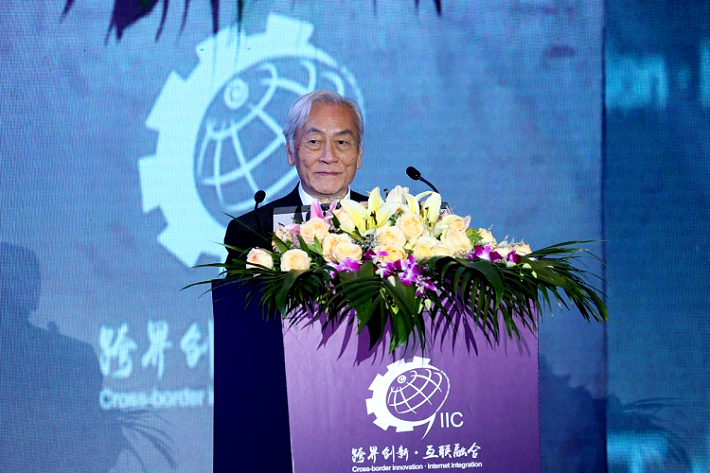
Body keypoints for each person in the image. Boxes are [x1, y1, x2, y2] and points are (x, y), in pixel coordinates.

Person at [224, 90, 368, 263]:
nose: (329, 157)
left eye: (342, 142)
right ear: (290, 151)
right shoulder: (252, 231)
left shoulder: (387, 223)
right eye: (314, 142)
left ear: (358, 154)